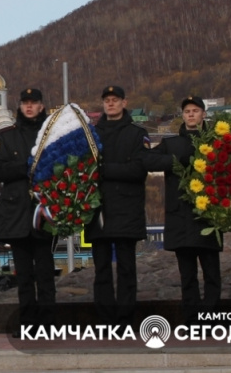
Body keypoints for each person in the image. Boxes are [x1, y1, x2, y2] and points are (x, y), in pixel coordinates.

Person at [148, 96, 221, 325]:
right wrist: (177, 162)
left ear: (203, 115)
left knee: (212, 275)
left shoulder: (215, 142)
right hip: (180, 218)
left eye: (195, 110)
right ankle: (192, 321)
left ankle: (210, 319)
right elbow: (149, 161)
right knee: (187, 276)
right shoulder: (170, 144)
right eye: (187, 111)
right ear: (183, 115)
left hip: (207, 218)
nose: (191, 114)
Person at [0, 88, 56, 333]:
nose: (29, 107)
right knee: (24, 274)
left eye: (34, 103)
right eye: (25, 103)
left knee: (46, 272)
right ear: (20, 106)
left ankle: (49, 323)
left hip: (45, 210)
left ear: (41, 106)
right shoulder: (8, 135)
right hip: (17, 212)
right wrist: (28, 167)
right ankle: (28, 322)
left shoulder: (52, 134)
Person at [84, 86, 150, 328]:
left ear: (124, 102)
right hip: (98, 210)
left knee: (126, 269)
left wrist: (105, 170)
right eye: (107, 101)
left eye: (115, 100)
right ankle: (104, 320)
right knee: (101, 271)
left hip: (127, 210)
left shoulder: (136, 133)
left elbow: (138, 170)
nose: (110, 104)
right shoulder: (91, 134)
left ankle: (125, 320)